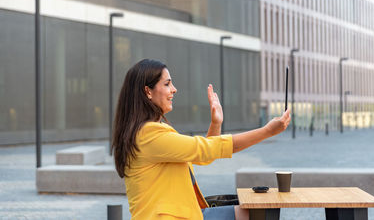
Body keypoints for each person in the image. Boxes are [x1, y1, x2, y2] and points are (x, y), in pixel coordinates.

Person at [112, 59, 291, 220]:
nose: (174, 89)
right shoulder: (148, 135)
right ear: (148, 92)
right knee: (259, 214)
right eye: (167, 84)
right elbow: (207, 149)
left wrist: (215, 123)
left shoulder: (149, 132)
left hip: (190, 214)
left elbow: (204, 154)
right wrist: (268, 131)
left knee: (257, 213)